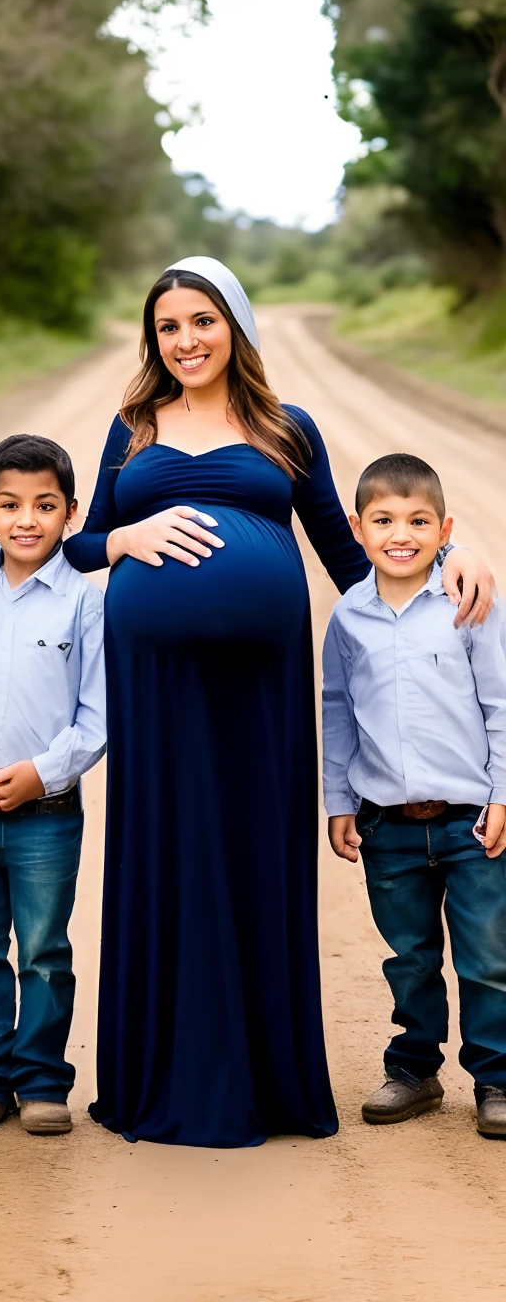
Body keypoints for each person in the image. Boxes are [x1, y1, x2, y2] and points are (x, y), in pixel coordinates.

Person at [63, 255, 496, 1149]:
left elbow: (350, 552)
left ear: (236, 326)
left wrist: (458, 551)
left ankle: (264, 1074)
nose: (185, 340)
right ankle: (165, 1072)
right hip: (156, 686)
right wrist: (126, 537)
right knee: (172, 852)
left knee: (254, 851)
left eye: (202, 321)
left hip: (263, 686)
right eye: (169, 326)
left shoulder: (284, 427)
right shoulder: (132, 426)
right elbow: (81, 544)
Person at [323, 453, 506, 1140]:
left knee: (487, 955)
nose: (402, 534)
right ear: (358, 529)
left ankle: (496, 1077)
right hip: (386, 826)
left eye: (418, 521)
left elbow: (500, 705)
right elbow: (337, 711)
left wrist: (502, 798)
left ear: (444, 528)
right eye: (384, 521)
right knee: (410, 955)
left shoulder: (469, 604)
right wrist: (338, 801)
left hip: (470, 820)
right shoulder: (348, 618)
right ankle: (414, 1071)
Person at [0, 435, 106, 1139]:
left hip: (47, 815)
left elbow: (99, 716)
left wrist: (42, 771)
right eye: (9, 505)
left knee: (42, 950)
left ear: (72, 512)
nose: (26, 520)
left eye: (45, 505)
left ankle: (40, 1081)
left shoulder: (84, 603)